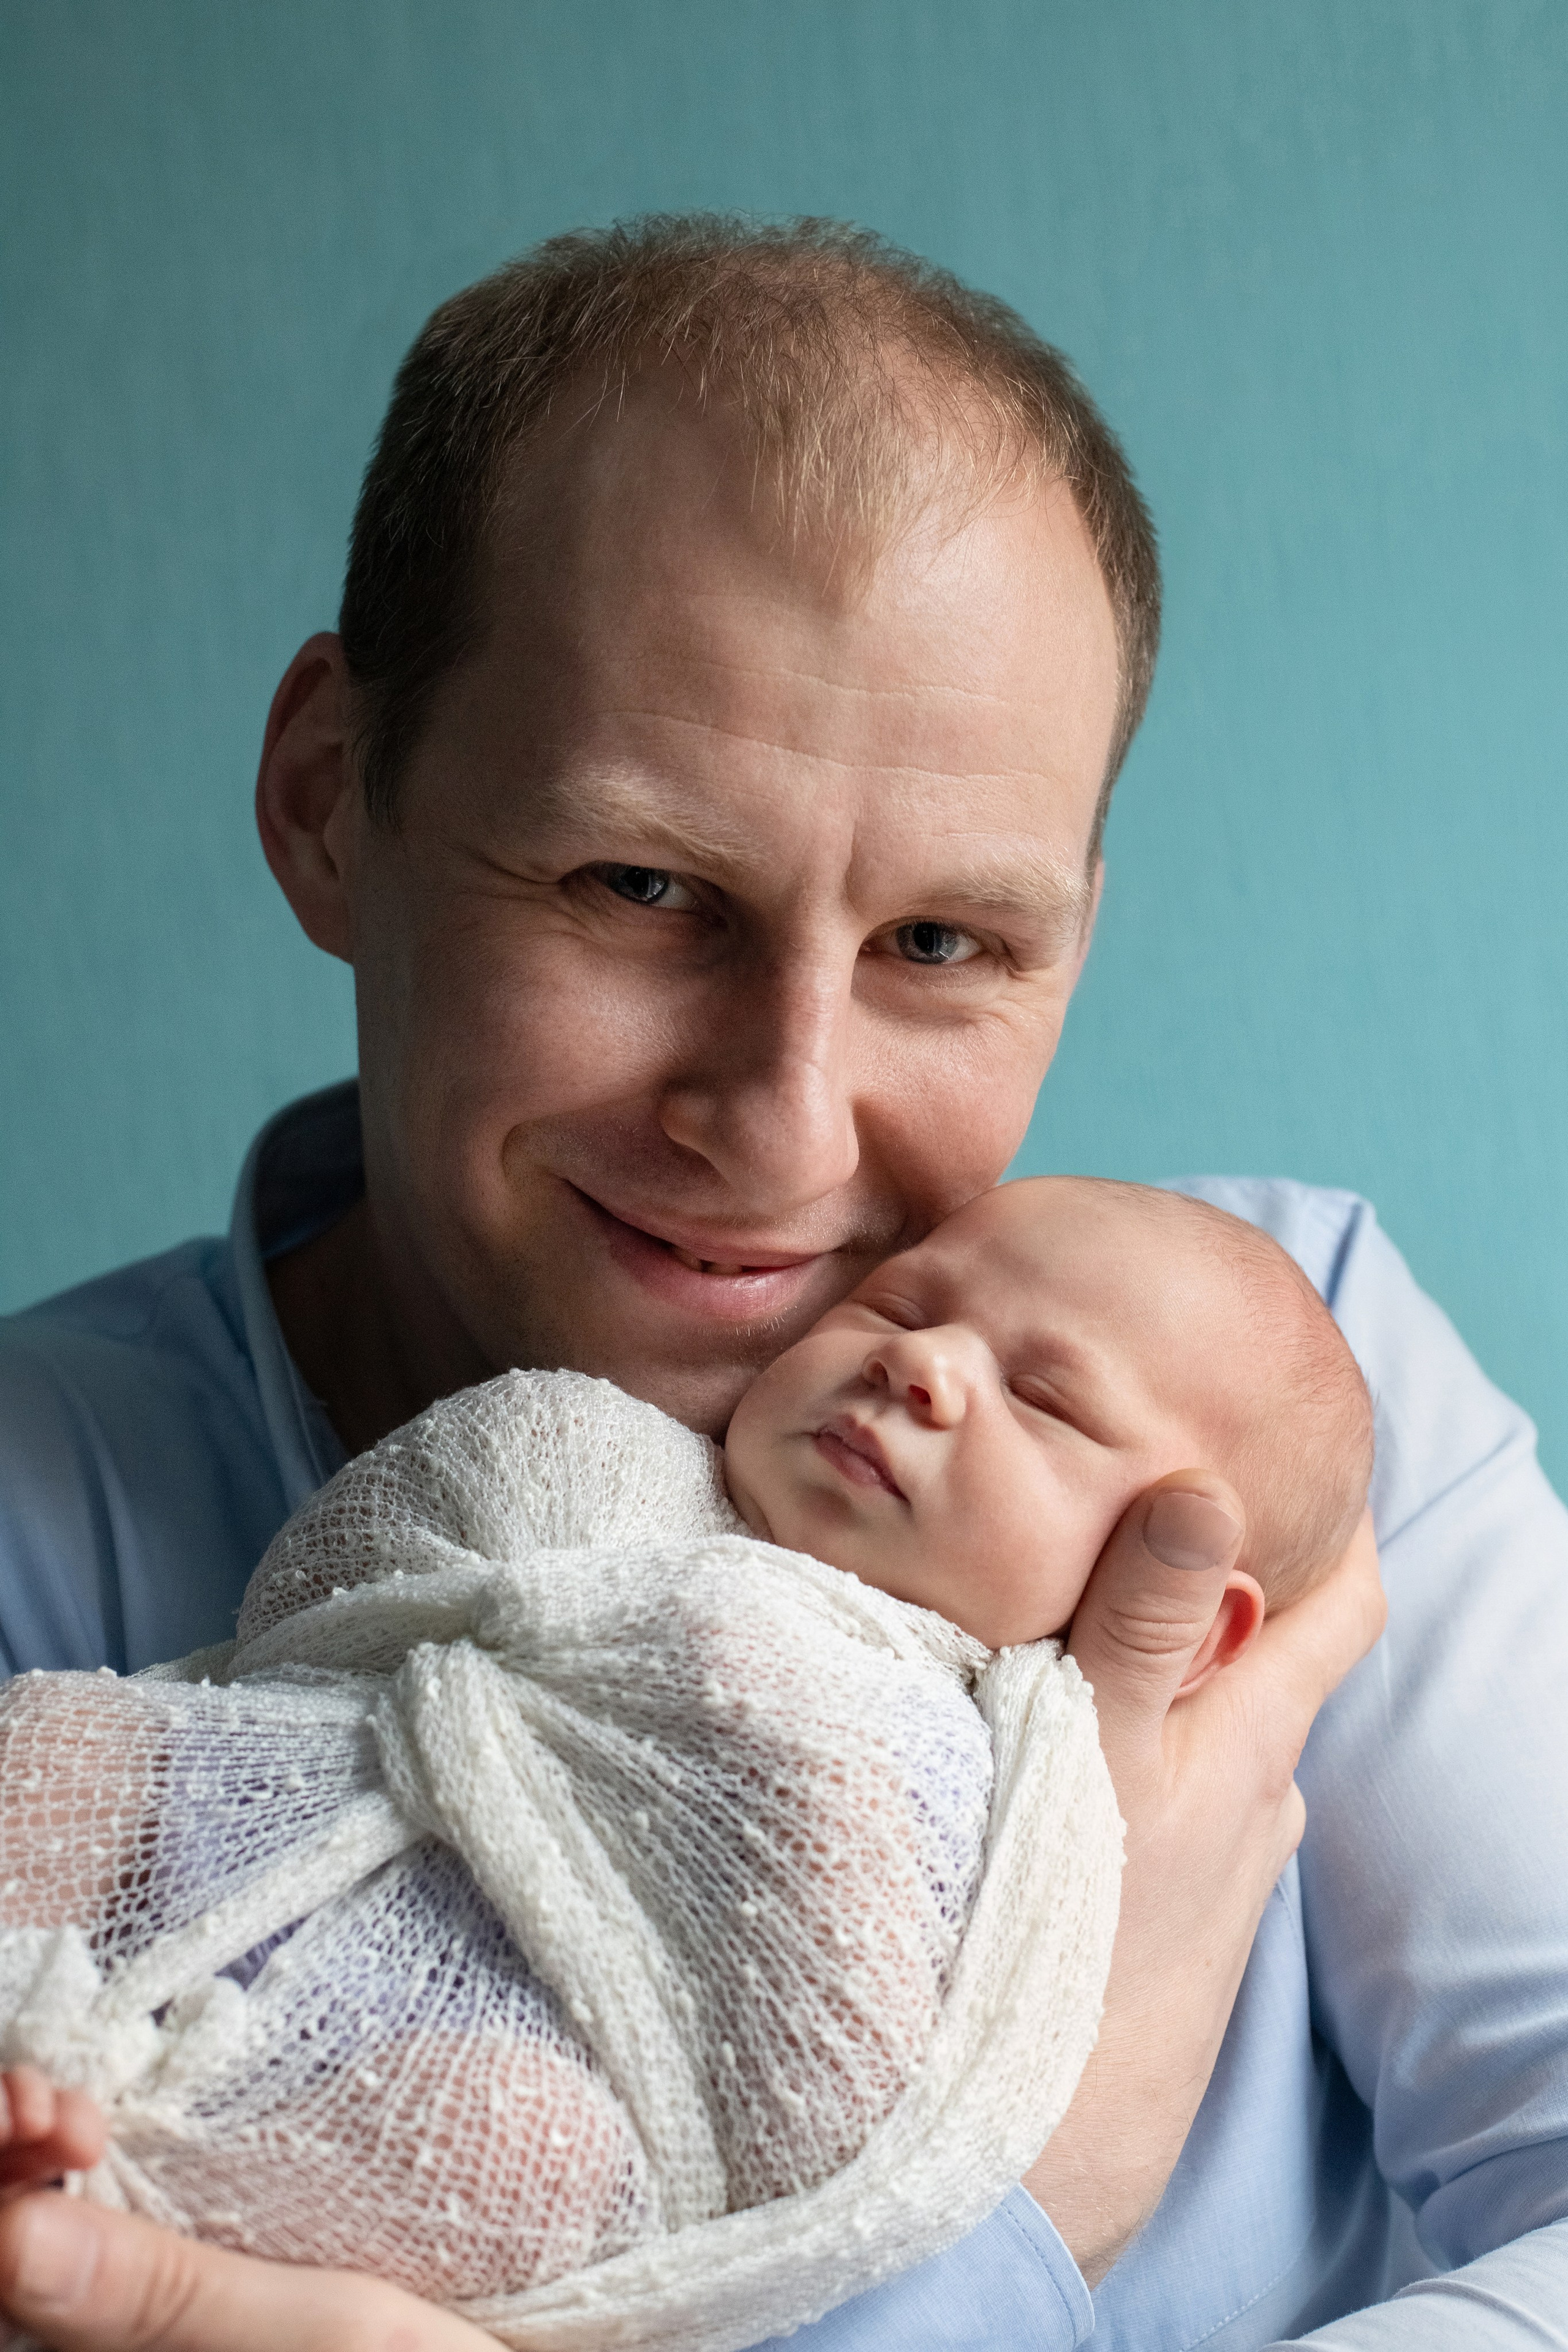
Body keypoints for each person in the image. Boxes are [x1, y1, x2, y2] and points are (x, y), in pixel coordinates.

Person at [0, 215, 1559, 2350]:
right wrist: (1021, 2188)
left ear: (1076, 931)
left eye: (943, 946)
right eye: (641, 890)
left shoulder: (1299, 1377)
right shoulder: (33, 1546)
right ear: (328, 803)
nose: (792, 1128)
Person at [0, 1178, 1370, 2351]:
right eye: (897, 1306)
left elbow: (826, 2084)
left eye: (1046, 1401)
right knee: (61, 1753)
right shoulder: (615, 1469)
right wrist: (561, 1607)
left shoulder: (991, 1779)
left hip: (498, 2056)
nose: (927, 1365)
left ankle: (110, 2160)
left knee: (530, 2154)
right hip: (251, 1816)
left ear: (1193, 1627)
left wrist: (745, 1708)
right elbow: (314, 1616)